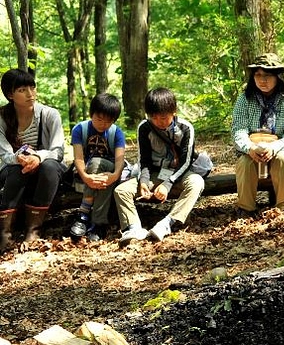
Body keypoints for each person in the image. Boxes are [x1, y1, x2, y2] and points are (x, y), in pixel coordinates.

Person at [114, 88, 205, 244]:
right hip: (155, 173)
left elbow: (186, 162)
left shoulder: (185, 128)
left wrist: (167, 184)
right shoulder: (145, 127)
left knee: (197, 183)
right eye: (153, 117)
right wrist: (143, 181)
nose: (158, 122)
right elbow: (144, 160)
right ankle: (133, 228)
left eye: (163, 117)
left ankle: (168, 223)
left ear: (173, 112)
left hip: (179, 174)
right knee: (121, 191)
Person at [231, 52, 284, 216]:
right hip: (251, 150)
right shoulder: (244, 100)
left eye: (267, 75)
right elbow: (238, 130)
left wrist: (274, 147)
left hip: (280, 149)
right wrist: (249, 148)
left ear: (278, 76)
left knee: (283, 159)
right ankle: (246, 209)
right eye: (258, 75)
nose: (262, 80)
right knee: (245, 163)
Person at [0, 68, 64, 252]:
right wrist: (20, 158)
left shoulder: (49, 114)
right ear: (10, 95)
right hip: (15, 170)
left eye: (32, 87)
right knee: (15, 168)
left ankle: (33, 230)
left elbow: (58, 151)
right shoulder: (2, 118)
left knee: (49, 166)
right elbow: (4, 155)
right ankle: (4, 234)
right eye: (22, 90)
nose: (30, 94)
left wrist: (38, 157)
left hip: (46, 169)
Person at [68, 93, 127, 242]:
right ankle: (98, 223)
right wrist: (86, 177)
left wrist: (115, 175)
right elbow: (78, 158)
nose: (103, 124)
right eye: (99, 119)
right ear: (91, 114)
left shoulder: (117, 133)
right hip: (86, 171)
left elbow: (120, 159)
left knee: (98, 166)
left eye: (108, 121)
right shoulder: (80, 129)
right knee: (94, 164)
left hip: (109, 170)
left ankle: (83, 214)